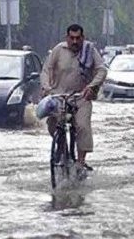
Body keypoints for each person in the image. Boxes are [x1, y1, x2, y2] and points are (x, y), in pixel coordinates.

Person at [40, 24, 107, 171]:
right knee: (53, 123)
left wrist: (92, 86)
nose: (75, 42)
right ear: (67, 38)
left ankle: (81, 161)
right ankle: (60, 147)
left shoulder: (89, 50)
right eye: (72, 38)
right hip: (59, 96)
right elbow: (45, 70)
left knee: (82, 126)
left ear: (83, 38)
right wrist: (46, 88)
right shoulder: (58, 50)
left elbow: (101, 70)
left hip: (81, 96)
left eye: (78, 38)